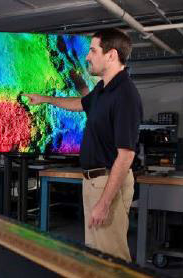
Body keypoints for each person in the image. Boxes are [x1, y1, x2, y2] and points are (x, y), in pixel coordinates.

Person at [24, 28, 142, 262]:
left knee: (111, 260)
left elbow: (126, 156)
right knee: (96, 255)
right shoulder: (103, 89)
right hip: (93, 181)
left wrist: (105, 202)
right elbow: (81, 103)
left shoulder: (125, 94)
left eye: (93, 50)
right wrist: (45, 99)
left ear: (111, 55)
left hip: (107, 182)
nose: (88, 56)